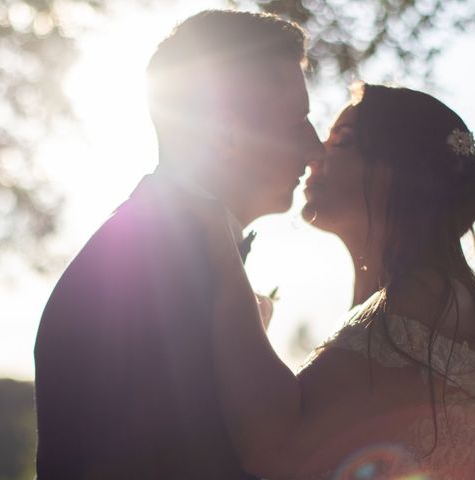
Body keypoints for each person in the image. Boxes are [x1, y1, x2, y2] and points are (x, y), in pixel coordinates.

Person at [197, 84, 475, 479]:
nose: (316, 154)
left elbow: (279, 456)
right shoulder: (411, 303)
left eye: (342, 141)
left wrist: (221, 251)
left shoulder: (427, 300)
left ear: (396, 170)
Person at [33, 10, 321, 479]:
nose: (316, 148)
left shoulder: (173, 247)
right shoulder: (150, 268)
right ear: (227, 132)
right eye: (297, 123)